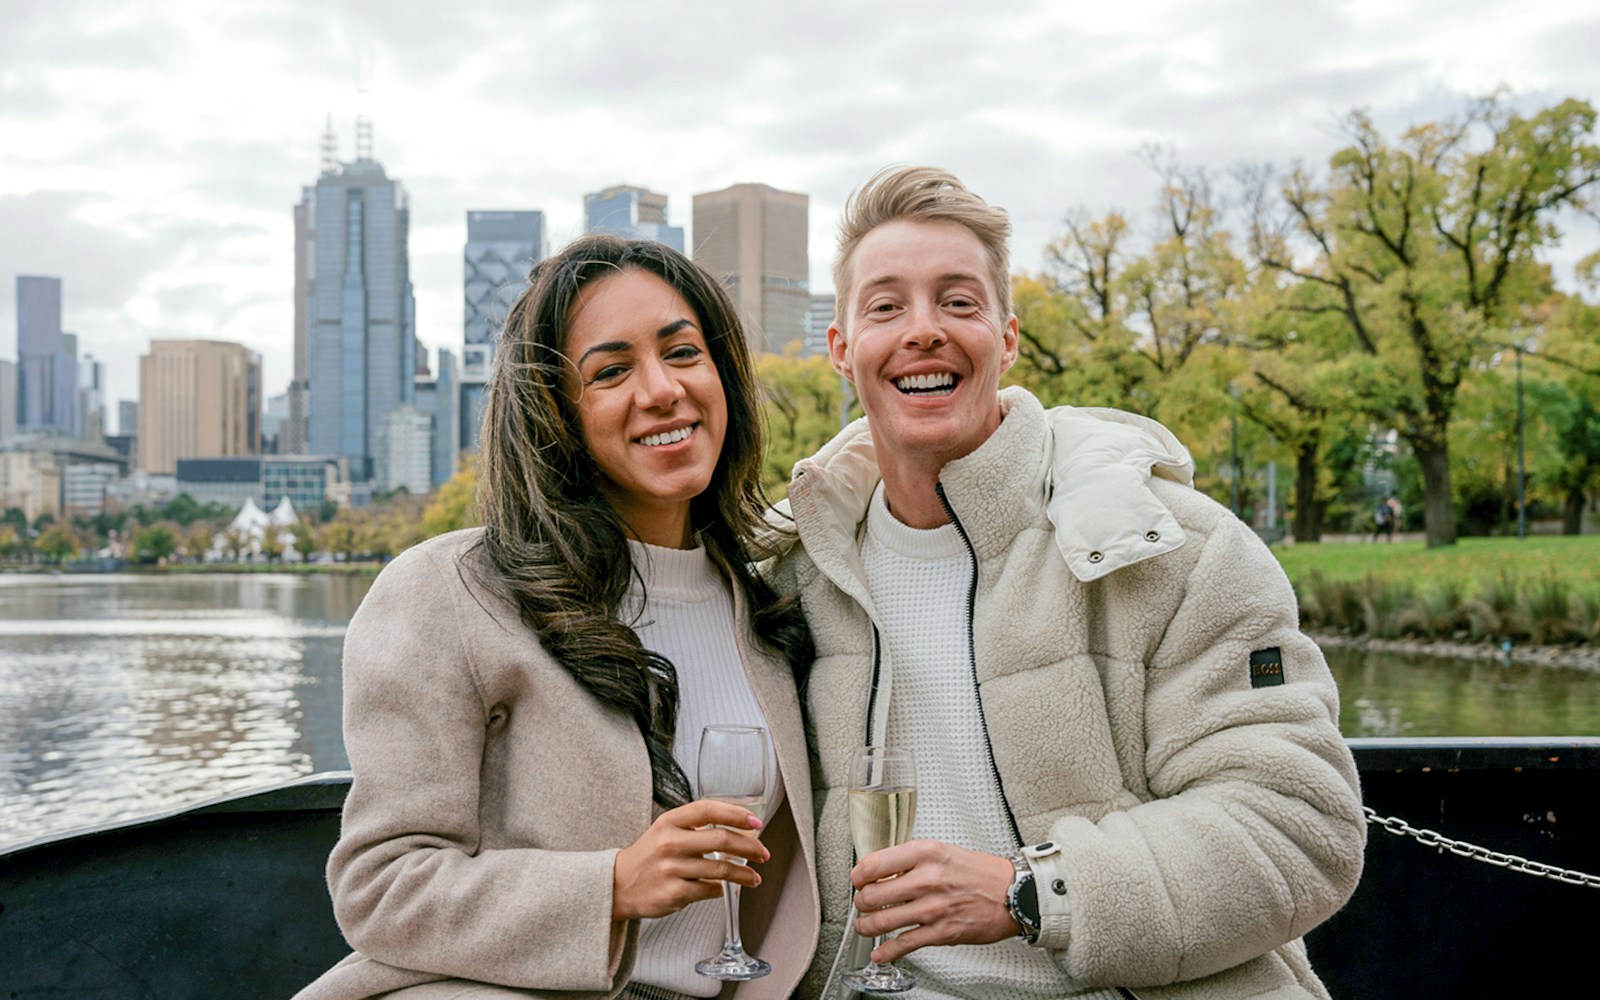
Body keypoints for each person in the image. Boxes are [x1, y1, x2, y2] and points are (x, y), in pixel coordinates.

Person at [777, 167, 1364, 1000]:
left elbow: (1300, 827)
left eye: (958, 301)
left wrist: (1033, 894)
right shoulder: (795, 571)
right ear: (841, 350)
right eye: (885, 306)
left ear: (1007, 340)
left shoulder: (1178, 546)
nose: (923, 331)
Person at [295, 236, 818, 1000]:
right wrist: (610, 886)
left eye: (682, 352)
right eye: (611, 371)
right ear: (556, 416)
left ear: (724, 377)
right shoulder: (450, 591)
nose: (662, 389)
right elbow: (380, 888)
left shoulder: (769, 600)